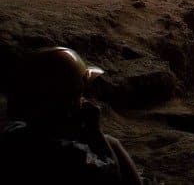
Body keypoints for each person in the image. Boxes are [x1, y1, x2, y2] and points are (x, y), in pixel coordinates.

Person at [0, 46, 142, 184]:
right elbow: (110, 172)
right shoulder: (70, 154)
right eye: (79, 94)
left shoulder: (15, 132)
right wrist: (95, 130)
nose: (83, 100)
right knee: (112, 143)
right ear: (66, 101)